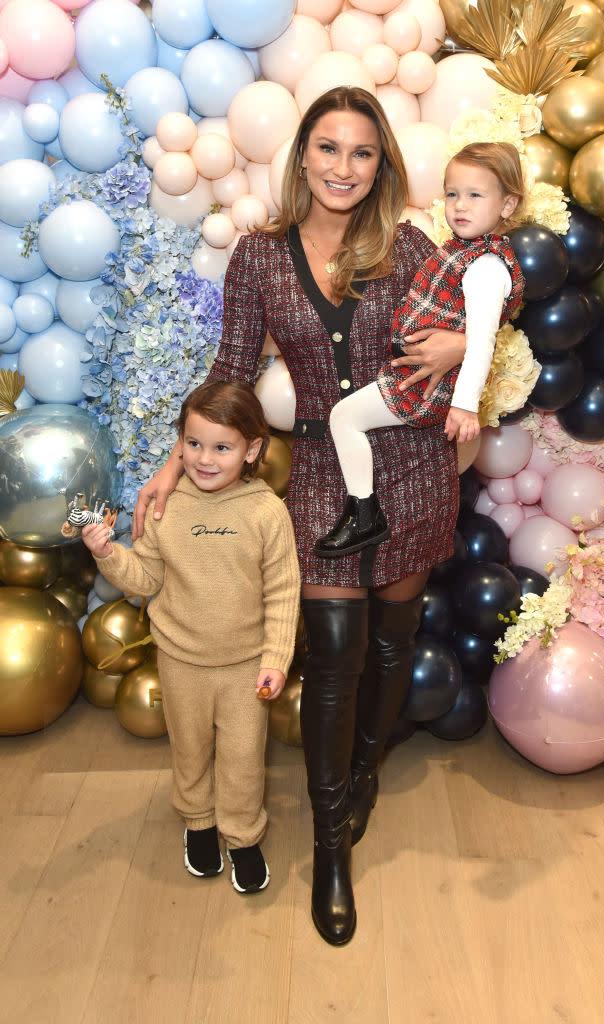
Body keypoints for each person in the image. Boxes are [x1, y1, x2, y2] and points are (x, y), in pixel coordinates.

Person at [132, 87, 466, 946]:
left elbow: (476, 324)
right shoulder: (259, 257)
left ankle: (364, 770)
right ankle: (328, 848)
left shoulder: (413, 247)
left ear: (380, 165)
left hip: (414, 464)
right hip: (321, 464)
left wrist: (464, 346)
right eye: (328, 149)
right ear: (303, 155)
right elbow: (233, 373)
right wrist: (173, 464)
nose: (342, 168)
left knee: (394, 640)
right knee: (334, 650)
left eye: (361, 153)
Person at [82, 379, 300, 895]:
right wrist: (107, 553)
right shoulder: (167, 507)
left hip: (247, 666)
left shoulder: (266, 512)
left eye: (222, 448)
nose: (205, 459)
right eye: (194, 444)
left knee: (244, 758)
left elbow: (284, 592)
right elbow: (148, 579)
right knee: (190, 749)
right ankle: (199, 823)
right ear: (180, 442)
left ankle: (243, 836)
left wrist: (276, 657)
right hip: (181, 662)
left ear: (252, 450)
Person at [314, 141, 524, 558]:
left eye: (475, 195)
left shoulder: (485, 266)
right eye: (452, 193)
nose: (460, 206)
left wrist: (464, 406)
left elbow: (482, 342)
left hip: (428, 385)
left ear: (507, 205)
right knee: (349, 417)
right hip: (419, 374)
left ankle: (363, 513)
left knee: (344, 417)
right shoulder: (463, 250)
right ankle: (364, 510)